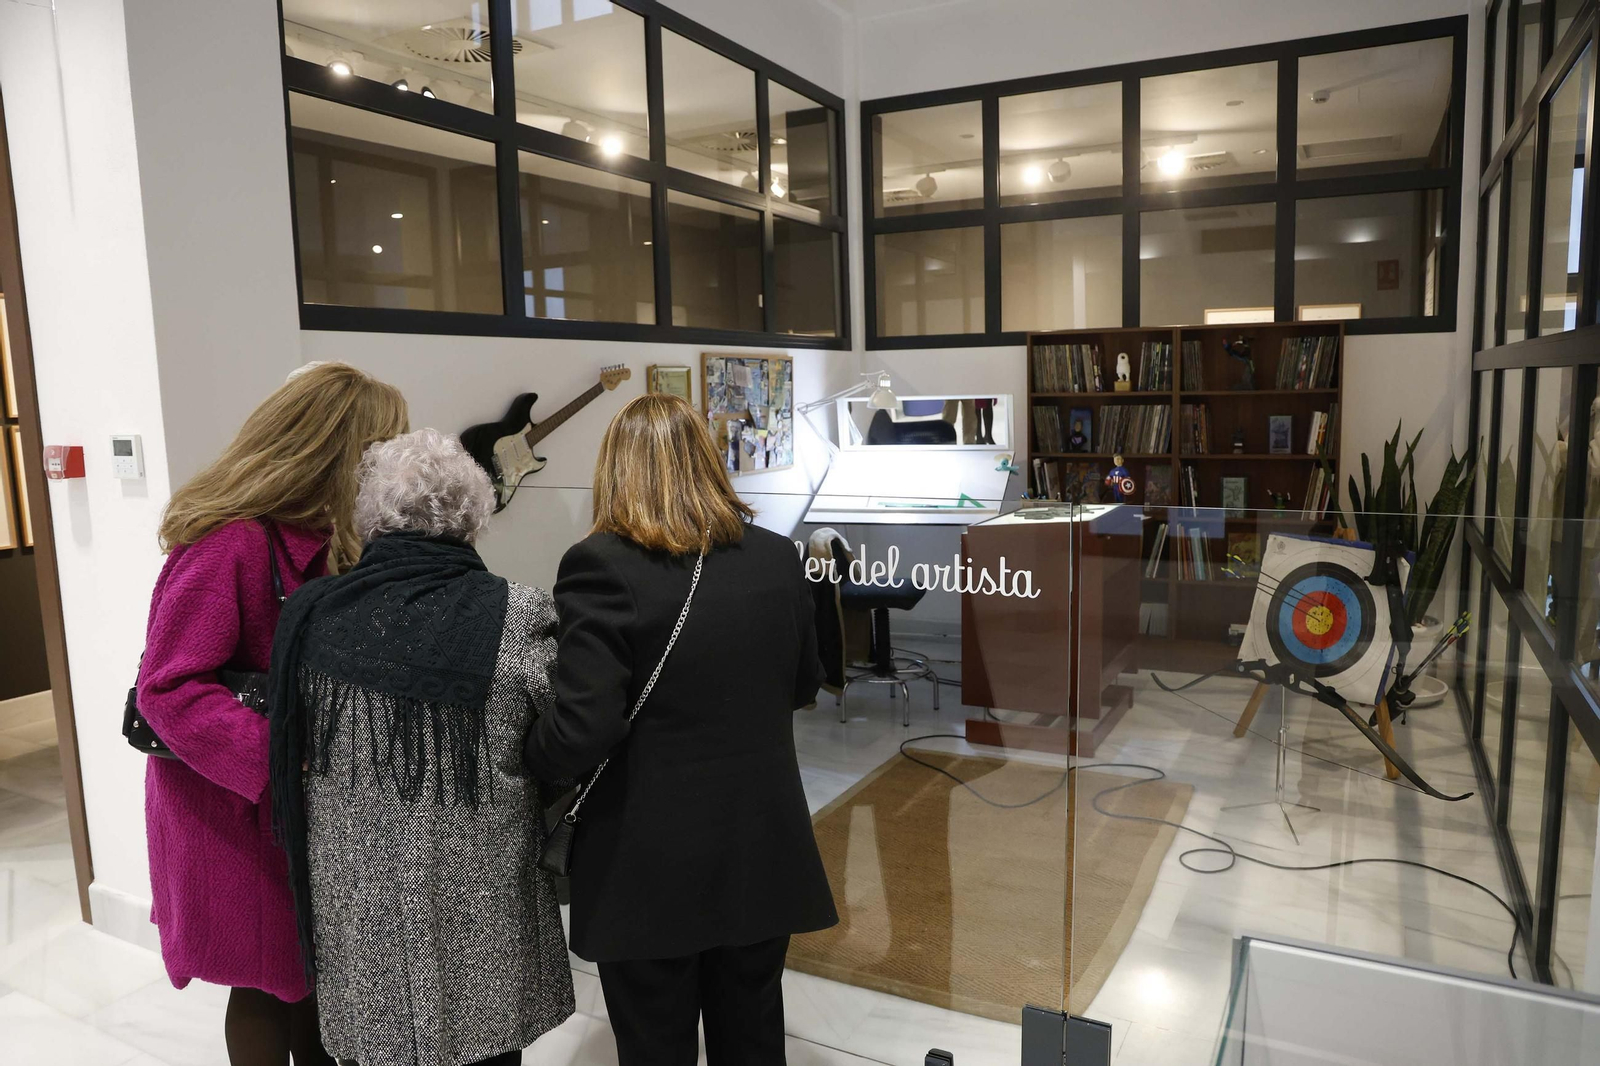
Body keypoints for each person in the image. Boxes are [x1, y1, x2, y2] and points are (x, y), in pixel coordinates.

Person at [524, 393, 839, 1066]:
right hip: (761, 845)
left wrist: (529, 753)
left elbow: (582, 729)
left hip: (647, 862)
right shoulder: (776, 558)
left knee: (655, 1044)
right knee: (753, 1037)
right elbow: (804, 686)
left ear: (616, 471)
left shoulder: (599, 564)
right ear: (708, 462)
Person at [266, 428, 575, 1066]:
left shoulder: (312, 613)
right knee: (487, 1048)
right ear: (472, 515)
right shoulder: (518, 615)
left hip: (360, 897)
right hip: (479, 894)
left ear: (371, 517)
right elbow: (563, 739)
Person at [138, 362, 408, 1065]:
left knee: (311, 980)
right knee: (265, 982)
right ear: (339, 454)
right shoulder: (232, 543)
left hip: (291, 811)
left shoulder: (325, 538)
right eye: (381, 448)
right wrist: (284, 761)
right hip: (233, 812)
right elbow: (168, 688)